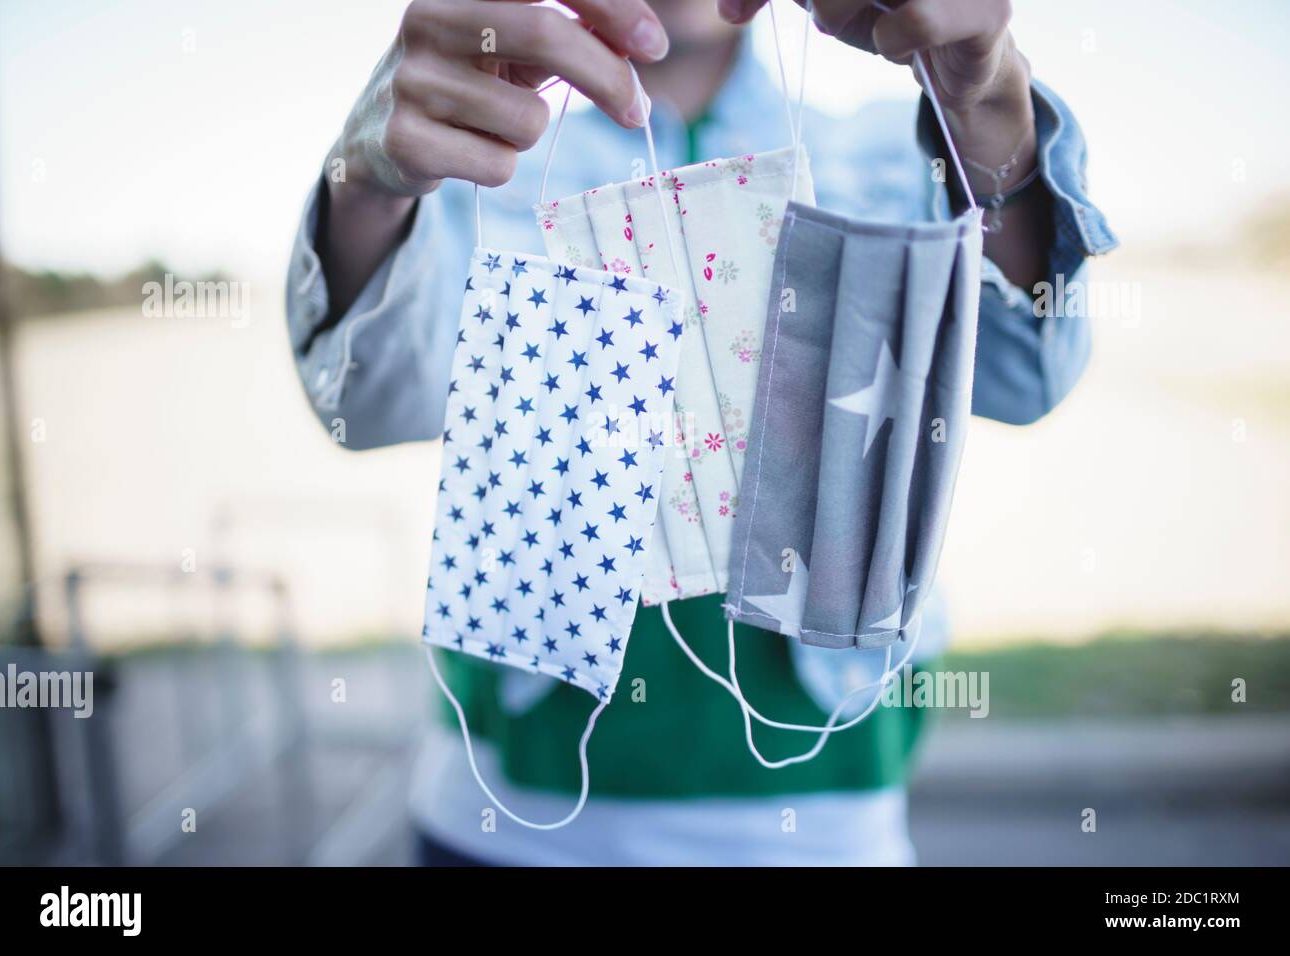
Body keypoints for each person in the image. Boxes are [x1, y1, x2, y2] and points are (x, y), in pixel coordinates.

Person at [286, 0, 1115, 866]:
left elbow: (1027, 377)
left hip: (824, 826)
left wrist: (988, 110)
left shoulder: (893, 148)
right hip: (508, 815)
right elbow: (365, 404)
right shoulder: (478, 156)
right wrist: (365, 183)